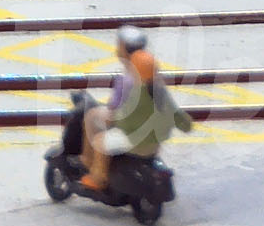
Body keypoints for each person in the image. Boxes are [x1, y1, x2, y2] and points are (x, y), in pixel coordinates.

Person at [81, 25, 191, 192]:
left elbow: (121, 118)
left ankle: (98, 178)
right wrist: (186, 124)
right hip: (154, 145)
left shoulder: (131, 88)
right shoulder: (159, 90)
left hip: (135, 143)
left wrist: (111, 120)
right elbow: (178, 116)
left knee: (99, 142)